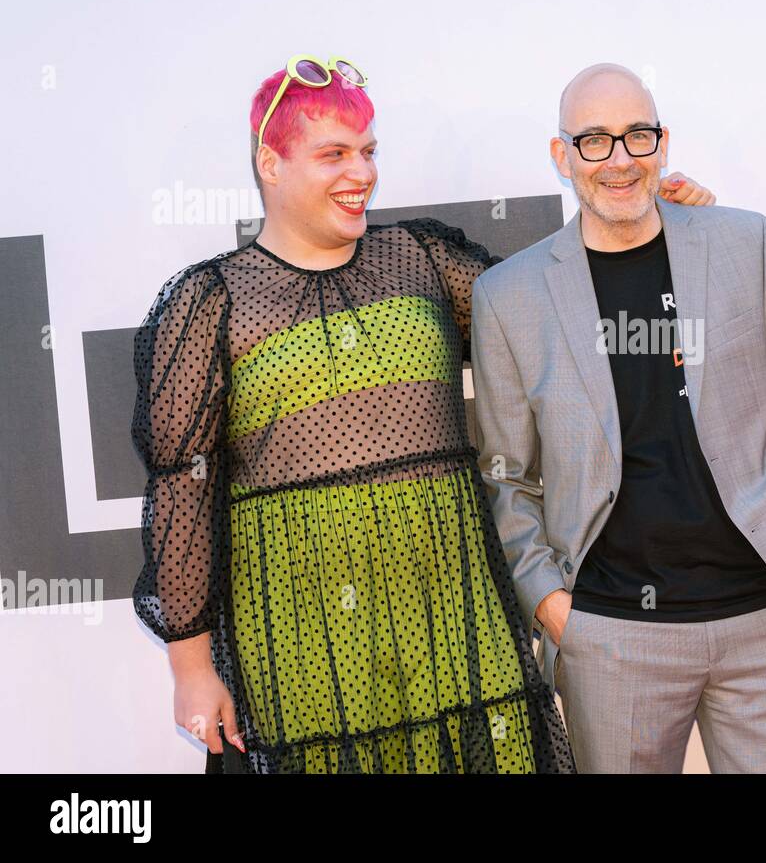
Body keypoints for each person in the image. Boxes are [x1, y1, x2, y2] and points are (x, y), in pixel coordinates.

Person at [131, 55, 712, 773]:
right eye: (334, 153)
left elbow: (555, 317)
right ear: (270, 164)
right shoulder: (211, 301)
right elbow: (181, 490)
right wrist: (191, 668)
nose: (362, 172)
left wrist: (654, 232)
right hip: (305, 644)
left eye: (369, 150)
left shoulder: (421, 260)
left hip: (456, 621)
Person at [470, 63, 766, 773]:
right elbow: (505, 476)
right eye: (595, 141)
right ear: (561, 156)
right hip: (612, 638)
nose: (620, 160)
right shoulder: (509, 296)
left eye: (638, 135)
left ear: (663, 143)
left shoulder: (742, 243)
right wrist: (551, 604)